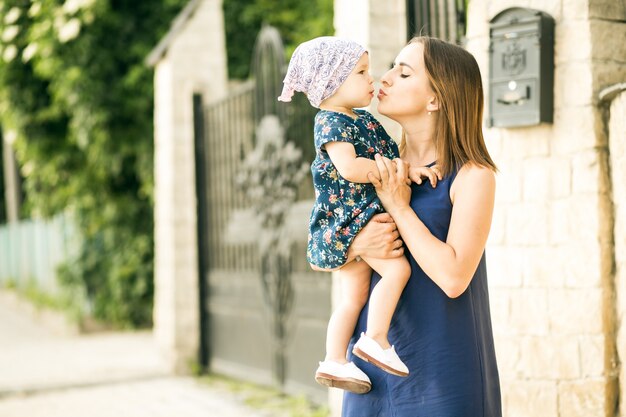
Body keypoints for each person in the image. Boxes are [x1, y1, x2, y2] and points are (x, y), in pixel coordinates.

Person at [341, 36, 502, 416]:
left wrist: (398, 207)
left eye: (405, 71)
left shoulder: (473, 175)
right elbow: (322, 254)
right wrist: (357, 244)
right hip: (371, 366)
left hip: (442, 370)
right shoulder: (370, 168)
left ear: (435, 99)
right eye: (393, 66)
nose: (387, 77)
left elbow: (453, 277)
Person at [278, 37, 439, 394]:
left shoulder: (362, 120)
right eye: (361, 72)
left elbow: (381, 159)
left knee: (353, 297)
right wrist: (400, 169)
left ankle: (335, 359)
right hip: (352, 219)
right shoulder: (331, 122)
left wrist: (403, 168)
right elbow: (349, 168)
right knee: (397, 270)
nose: (373, 79)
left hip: (359, 218)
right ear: (332, 82)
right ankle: (375, 339)